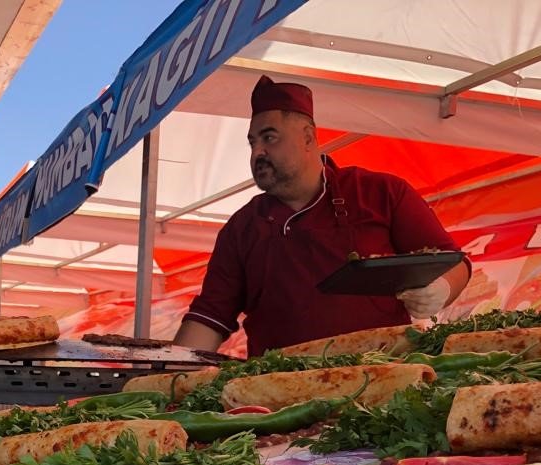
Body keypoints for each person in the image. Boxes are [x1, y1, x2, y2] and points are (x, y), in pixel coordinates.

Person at [174, 76, 470, 357]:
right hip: (276, 392)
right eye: (252, 143)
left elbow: (454, 261)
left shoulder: (381, 193)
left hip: (382, 380)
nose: (258, 153)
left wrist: (441, 288)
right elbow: (209, 317)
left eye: (269, 138)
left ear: (308, 137)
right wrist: (170, 372)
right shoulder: (242, 228)